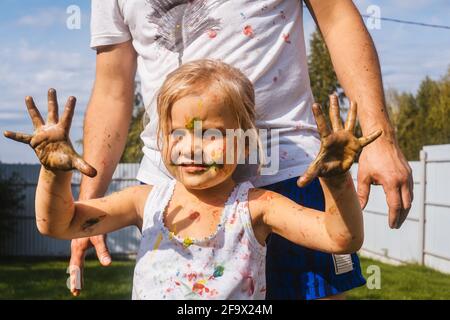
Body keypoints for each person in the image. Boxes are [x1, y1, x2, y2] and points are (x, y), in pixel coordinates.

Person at [71, 0, 413, 299]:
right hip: (171, 187)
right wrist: (89, 199)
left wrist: (379, 136)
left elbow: (337, 14)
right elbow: (112, 89)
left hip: (291, 171)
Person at [4, 59, 381, 299]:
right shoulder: (143, 201)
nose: (193, 149)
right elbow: (58, 223)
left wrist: (336, 182)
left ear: (246, 142)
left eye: (212, 135)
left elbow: (341, 238)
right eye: (179, 134)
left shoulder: (257, 208)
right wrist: (54, 174)